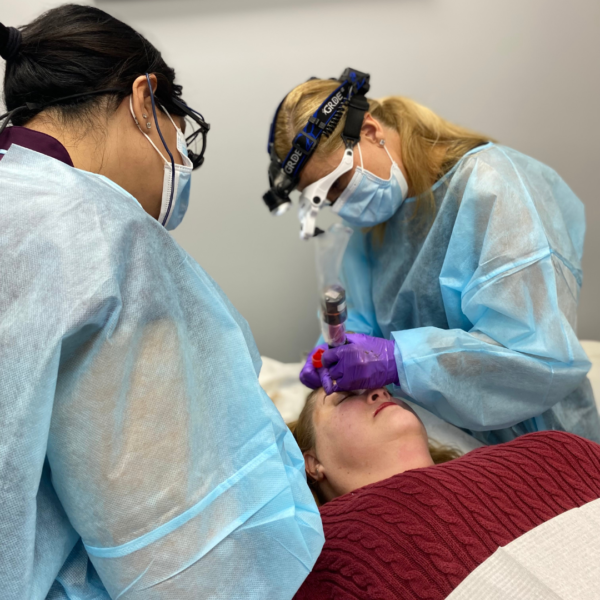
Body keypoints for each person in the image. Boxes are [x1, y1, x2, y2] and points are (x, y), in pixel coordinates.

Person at [0, 6, 322, 600]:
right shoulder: (102, 235)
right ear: (145, 98)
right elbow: (192, 563)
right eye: (182, 134)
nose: (179, 157)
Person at [266, 72, 600, 445]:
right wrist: (337, 347)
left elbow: (534, 356)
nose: (341, 206)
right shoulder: (373, 228)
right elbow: (360, 321)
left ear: (371, 131)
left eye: (339, 186)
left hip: (542, 441)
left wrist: (400, 360)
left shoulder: (492, 185)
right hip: (445, 449)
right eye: (327, 201)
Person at [291, 387, 600, 600]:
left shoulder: (547, 448)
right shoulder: (314, 554)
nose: (380, 392)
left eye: (384, 386)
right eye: (345, 396)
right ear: (313, 462)